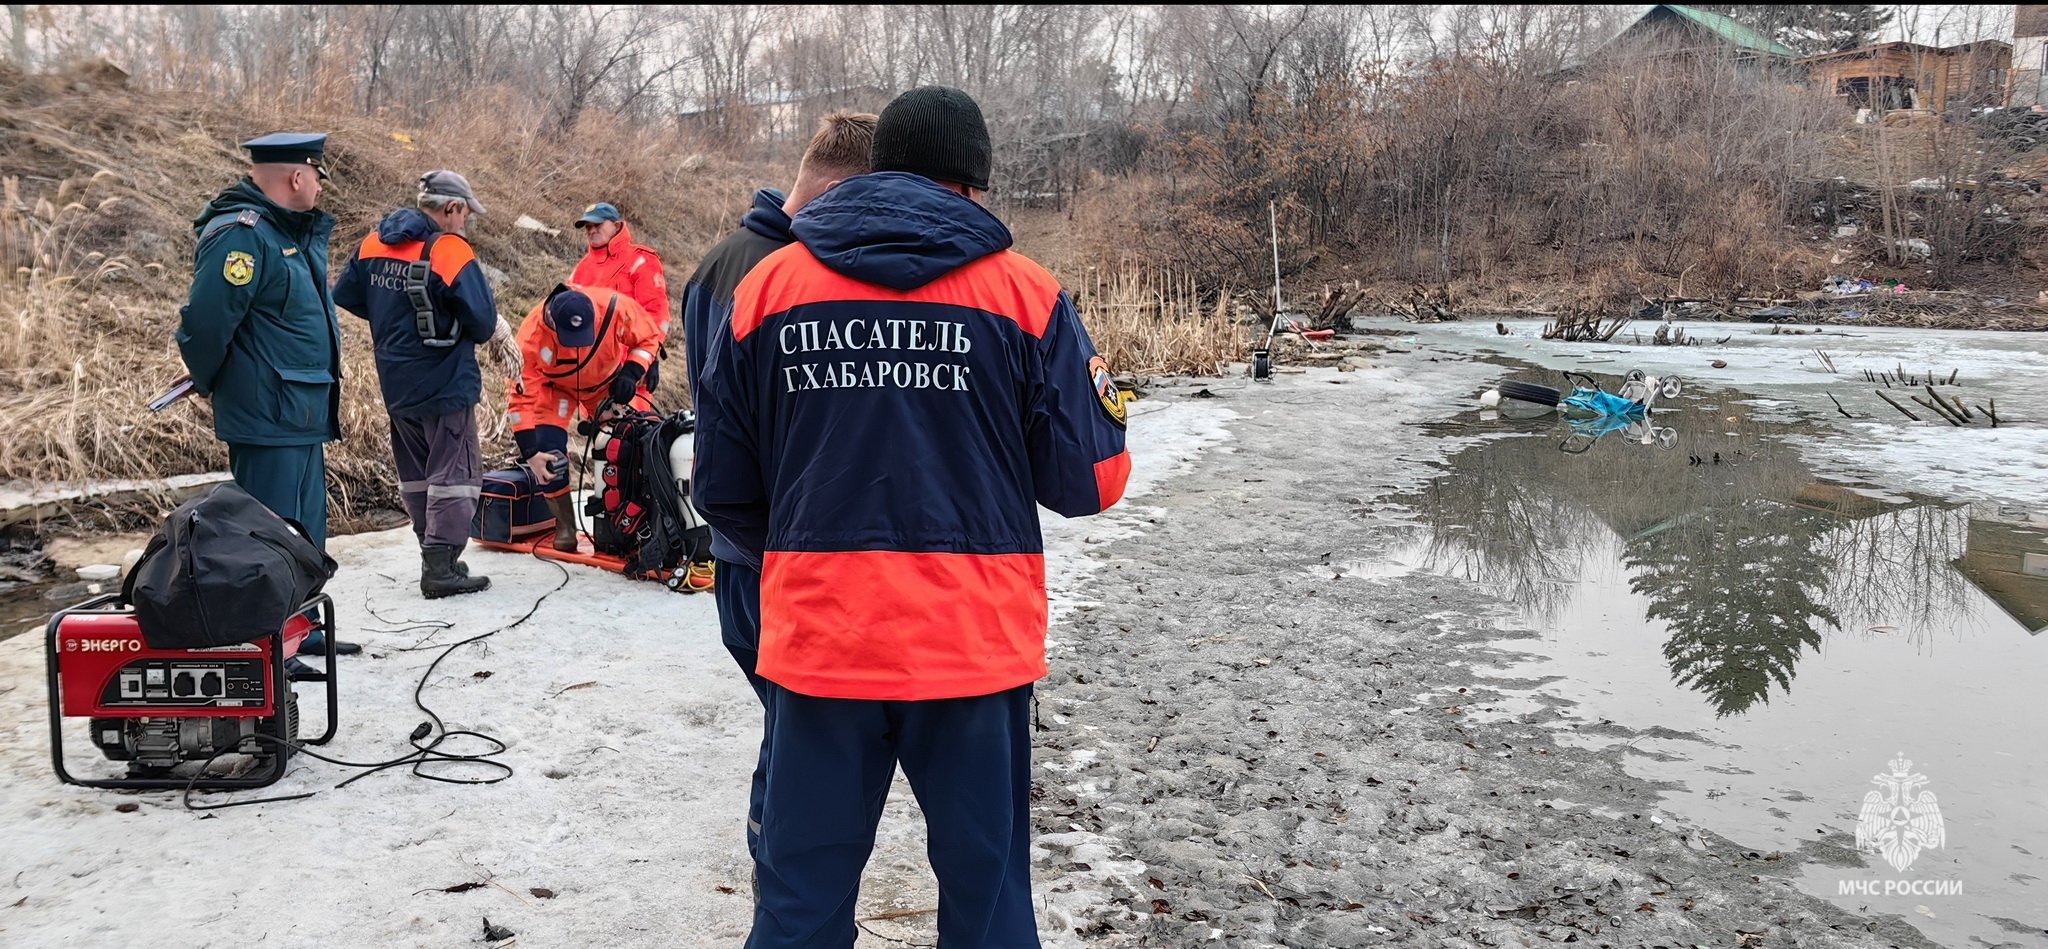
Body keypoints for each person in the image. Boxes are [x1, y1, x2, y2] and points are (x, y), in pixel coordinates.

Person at [693, 86, 1131, 948]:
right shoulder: (1024, 295)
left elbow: (721, 486)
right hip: (971, 647)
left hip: (822, 645)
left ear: (879, 166)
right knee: (989, 897)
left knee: (799, 903)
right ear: (975, 182)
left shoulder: (769, 288)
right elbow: (1094, 480)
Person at [678, 109, 876, 864]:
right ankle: (784, 874)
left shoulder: (721, 259)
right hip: (781, 553)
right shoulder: (791, 272)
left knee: (792, 731)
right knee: (801, 740)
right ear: (839, 189)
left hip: (740, 550)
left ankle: (786, 871)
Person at [175, 131, 358, 671]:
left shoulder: (290, 233)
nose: (320, 186)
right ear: (298, 176)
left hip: (300, 409)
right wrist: (212, 382)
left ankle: (303, 628)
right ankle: (270, 643)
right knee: (268, 534)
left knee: (304, 529)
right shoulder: (241, 235)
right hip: (267, 411)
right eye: (318, 175)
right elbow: (205, 326)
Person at [332, 170, 511, 599]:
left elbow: (346, 293)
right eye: (464, 214)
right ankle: (441, 568)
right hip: (445, 380)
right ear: (450, 208)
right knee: (455, 473)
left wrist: (395, 321)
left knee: (416, 475)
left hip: (396, 381)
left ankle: (434, 554)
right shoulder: (449, 250)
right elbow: (483, 321)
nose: (465, 223)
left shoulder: (374, 242)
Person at [508, 282, 665, 553]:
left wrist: (633, 370)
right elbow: (520, 398)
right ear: (552, 324)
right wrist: (530, 451)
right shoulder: (530, 339)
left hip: (605, 383)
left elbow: (649, 337)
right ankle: (565, 525)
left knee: (629, 444)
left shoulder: (614, 307)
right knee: (549, 454)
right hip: (554, 388)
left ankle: (634, 521)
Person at [572, 201, 671, 390]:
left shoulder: (641, 260)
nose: (591, 230)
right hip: (589, 372)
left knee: (633, 420)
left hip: (628, 372)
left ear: (616, 226)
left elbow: (656, 313)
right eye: (588, 227)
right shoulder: (582, 268)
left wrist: (644, 359)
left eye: (597, 225)